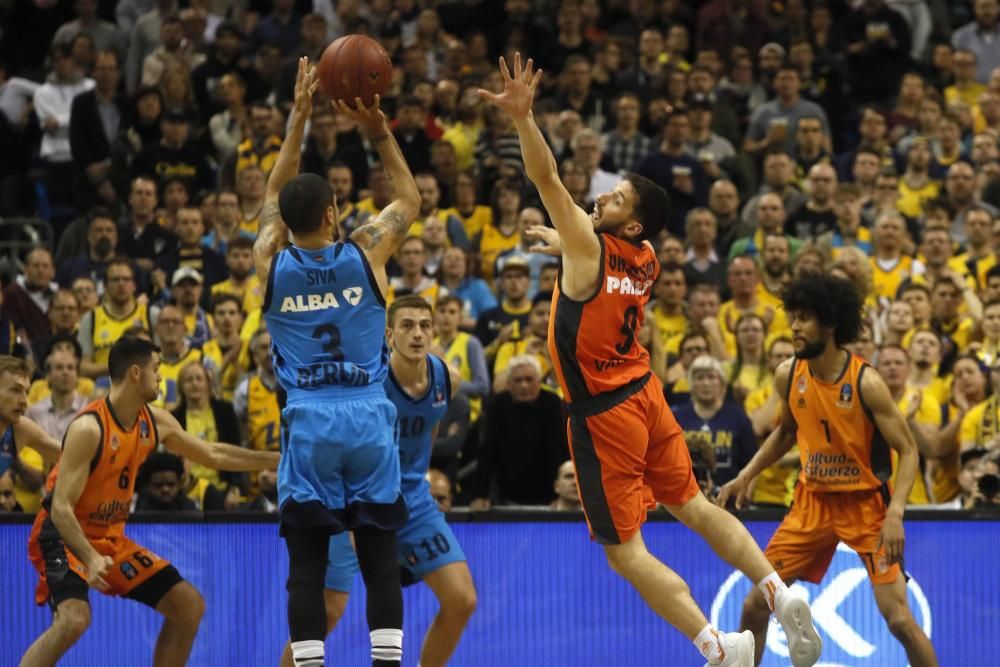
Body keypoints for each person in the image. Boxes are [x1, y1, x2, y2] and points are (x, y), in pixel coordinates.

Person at [480, 53, 821, 667]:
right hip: (647, 393)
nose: (604, 195)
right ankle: (776, 589)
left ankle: (716, 646)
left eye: (616, 198)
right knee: (692, 506)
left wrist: (524, 121)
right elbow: (593, 257)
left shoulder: (592, 247)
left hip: (603, 414)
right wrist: (568, 241)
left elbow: (547, 180)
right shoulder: (645, 258)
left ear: (631, 222)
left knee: (625, 550)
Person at [254, 59, 420, 667]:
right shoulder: (365, 253)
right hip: (369, 418)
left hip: (309, 420)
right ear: (331, 214)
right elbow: (409, 197)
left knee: (307, 563)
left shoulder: (269, 260)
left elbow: (273, 195)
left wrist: (298, 115)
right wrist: (376, 128)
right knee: (379, 556)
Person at [718, 275, 939, 667]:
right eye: (794, 318)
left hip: (867, 507)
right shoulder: (789, 374)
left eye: (805, 319)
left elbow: (908, 450)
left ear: (831, 325)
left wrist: (896, 513)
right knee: (755, 604)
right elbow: (785, 432)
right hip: (811, 505)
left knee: (900, 620)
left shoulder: (866, 382)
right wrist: (746, 474)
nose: (795, 327)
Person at [20, 337, 279, 666]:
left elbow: (214, 454)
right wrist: (89, 556)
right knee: (74, 619)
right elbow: (60, 507)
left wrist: (275, 459)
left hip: (109, 539)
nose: (161, 377)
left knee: (188, 606)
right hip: (62, 534)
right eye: (156, 370)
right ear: (134, 373)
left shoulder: (155, 421)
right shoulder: (89, 428)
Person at [279, 296, 474, 667]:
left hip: (412, 496)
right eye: (407, 326)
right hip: (358, 495)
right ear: (389, 335)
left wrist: (420, 475)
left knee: (462, 599)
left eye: (424, 325)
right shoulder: (368, 381)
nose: (417, 334)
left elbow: (429, 428)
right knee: (330, 610)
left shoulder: (447, 378)